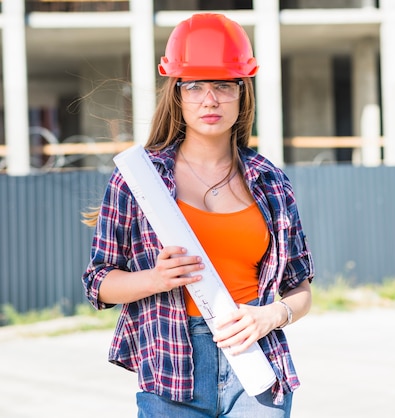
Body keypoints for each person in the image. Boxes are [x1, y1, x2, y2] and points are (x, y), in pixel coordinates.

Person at [82, 13, 314, 418]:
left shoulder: (271, 181)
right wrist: (155, 278)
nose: (210, 99)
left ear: (243, 92)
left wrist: (271, 315)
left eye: (224, 85)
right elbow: (98, 282)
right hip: (172, 369)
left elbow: (301, 289)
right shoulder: (138, 180)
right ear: (177, 93)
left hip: (256, 365)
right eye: (195, 85)